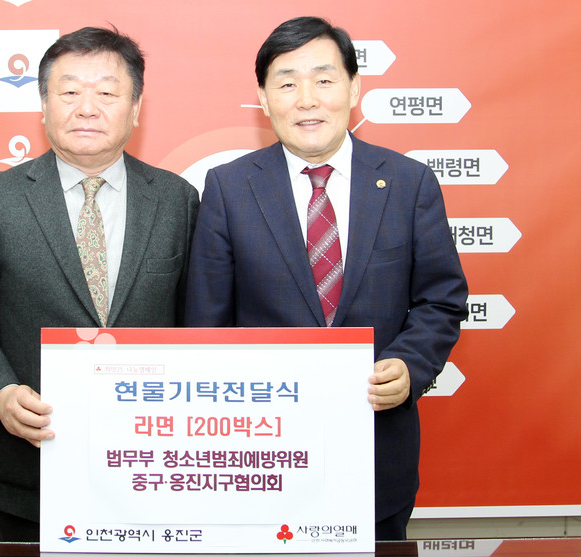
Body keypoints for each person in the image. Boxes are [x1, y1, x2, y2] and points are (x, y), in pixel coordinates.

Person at [185, 16, 467, 540]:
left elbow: (442, 299)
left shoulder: (409, 183)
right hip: (261, 455)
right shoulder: (228, 188)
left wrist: (409, 366)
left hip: (377, 450)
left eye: (324, 79)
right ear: (263, 99)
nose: (307, 100)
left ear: (354, 89)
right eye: (287, 84)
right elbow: (206, 325)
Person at [0, 26, 199, 542]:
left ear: (136, 108)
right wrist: (0, 393)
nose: (87, 108)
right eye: (70, 91)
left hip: (155, 467)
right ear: (43, 106)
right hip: (33, 470)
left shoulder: (178, 200)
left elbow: (202, 320)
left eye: (107, 93)